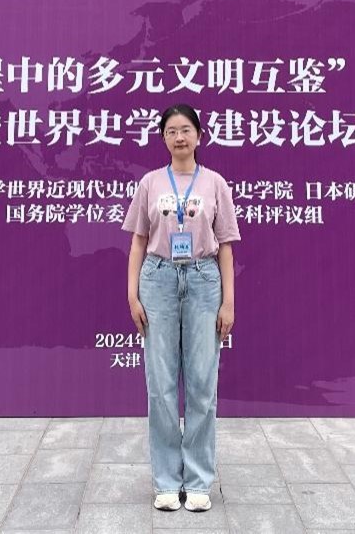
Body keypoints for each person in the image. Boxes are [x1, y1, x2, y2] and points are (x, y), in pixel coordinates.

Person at [122, 104, 240, 513]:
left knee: (203, 383)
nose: (179, 137)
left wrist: (228, 302)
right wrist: (133, 295)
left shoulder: (215, 183)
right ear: (163, 138)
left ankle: (199, 479)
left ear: (199, 135)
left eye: (186, 129)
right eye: (171, 131)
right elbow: (138, 241)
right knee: (161, 385)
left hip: (204, 279)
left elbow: (226, 246)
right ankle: (167, 481)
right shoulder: (151, 182)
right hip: (158, 279)